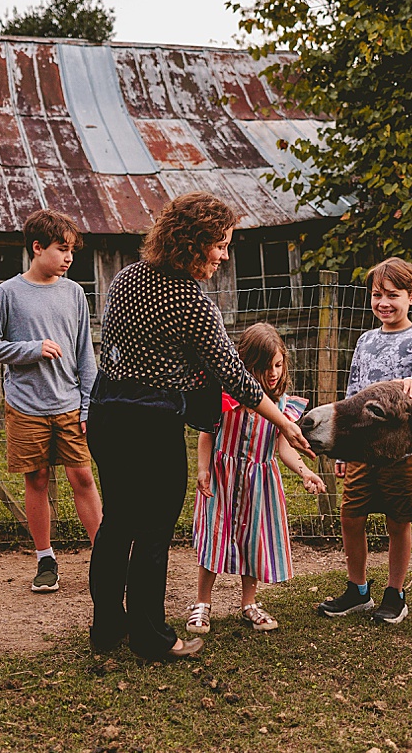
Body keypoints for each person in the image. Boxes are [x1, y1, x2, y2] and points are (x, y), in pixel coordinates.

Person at [86, 192, 314, 661]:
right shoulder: (192, 302)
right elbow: (235, 377)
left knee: (115, 525)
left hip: (107, 413)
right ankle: (151, 637)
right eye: (220, 244)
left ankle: (107, 627)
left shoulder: (126, 280)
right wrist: (284, 424)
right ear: (194, 241)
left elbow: (131, 353)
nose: (225, 256)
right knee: (151, 532)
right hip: (150, 425)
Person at [0, 209, 102, 592]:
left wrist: (88, 405)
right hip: (26, 407)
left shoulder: (74, 293)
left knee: (83, 476)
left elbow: (85, 355)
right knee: (38, 479)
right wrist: (30, 349)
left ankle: (104, 555)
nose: (68, 257)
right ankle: (45, 560)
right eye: (62, 249)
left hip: (69, 405)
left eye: (72, 251)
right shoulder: (9, 292)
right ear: (37, 247)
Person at [318, 256, 412, 625]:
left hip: (401, 451)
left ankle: (395, 593)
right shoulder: (366, 341)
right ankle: (358, 591)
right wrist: (342, 447)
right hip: (362, 451)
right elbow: (353, 394)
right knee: (351, 515)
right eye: (376, 295)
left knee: (397, 521)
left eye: (392, 295)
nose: (383, 303)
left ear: (411, 296)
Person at [186, 323, 325, 635]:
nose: (273, 373)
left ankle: (248, 603)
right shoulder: (225, 399)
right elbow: (206, 434)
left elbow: (284, 447)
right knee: (215, 538)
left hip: (259, 483)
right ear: (245, 365)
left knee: (254, 543)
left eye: (278, 365)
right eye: (265, 367)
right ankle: (202, 604)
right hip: (223, 479)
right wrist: (203, 470)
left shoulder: (281, 405)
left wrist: (305, 472)